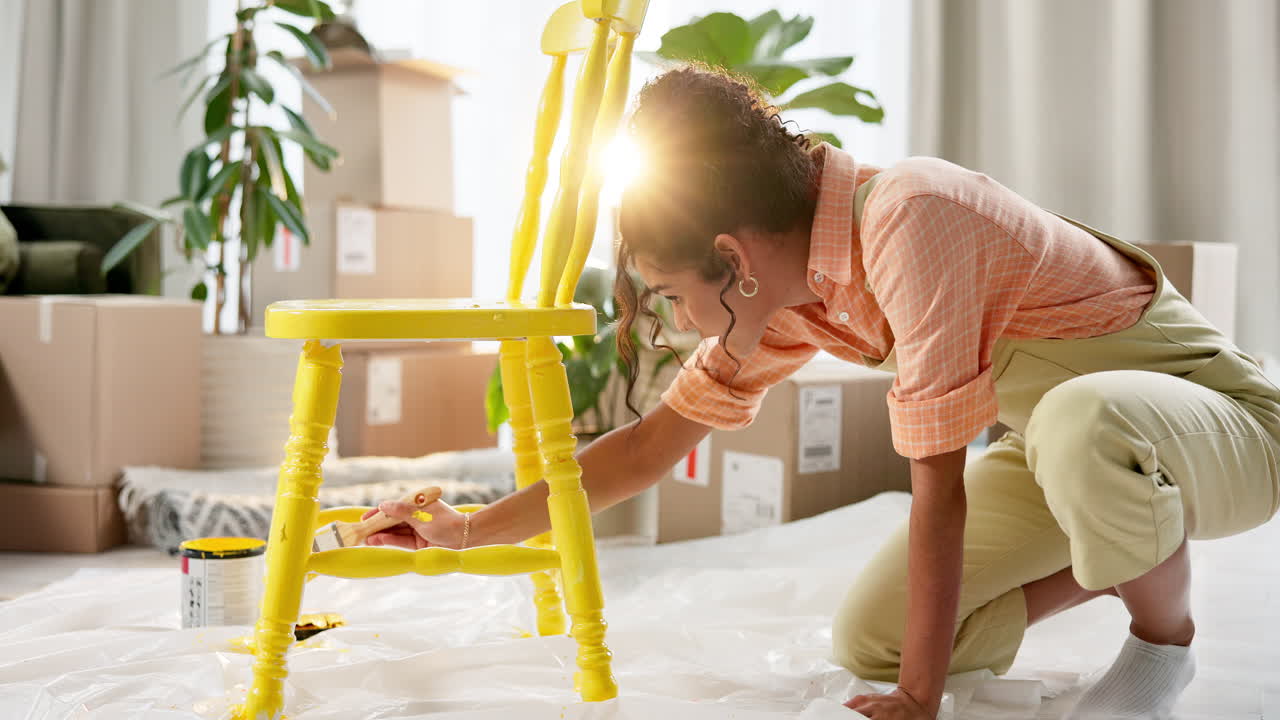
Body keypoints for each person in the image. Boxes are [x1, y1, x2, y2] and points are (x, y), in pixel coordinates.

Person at [365, 67, 1280, 720]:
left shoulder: (912, 217)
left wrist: (921, 700)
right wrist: (468, 530)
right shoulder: (790, 298)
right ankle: (1124, 543)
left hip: (1219, 423)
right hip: (1064, 450)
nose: (679, 320)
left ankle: (1161, 643)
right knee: (873, 638)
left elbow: (937, 486)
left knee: (1083, 423)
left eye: (675, 295)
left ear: (733, 257)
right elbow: (645, 448)